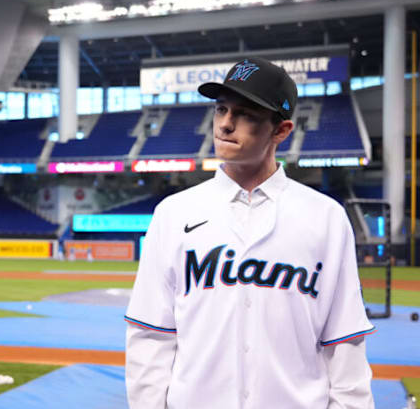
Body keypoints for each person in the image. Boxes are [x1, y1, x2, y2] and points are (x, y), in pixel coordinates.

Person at [124, 57, 375, 409]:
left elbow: (344, 342)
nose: (226, 125)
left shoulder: (326, 218)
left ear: (281, 131)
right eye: (221, 109)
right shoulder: (173, 213)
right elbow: (151, 335)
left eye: (246, 115)